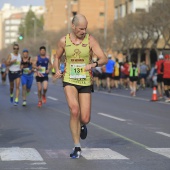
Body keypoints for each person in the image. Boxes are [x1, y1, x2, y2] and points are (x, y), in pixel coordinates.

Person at [54, 14, 108, 158]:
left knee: (85, 118)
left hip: (85, 81)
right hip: (69, 79)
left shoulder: (90, 40)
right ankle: (77, 146)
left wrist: (92, 64)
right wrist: (57, 69)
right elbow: (57, 57)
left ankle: (82, 125)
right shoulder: (63, 41)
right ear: (73, 26)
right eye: (81, 29)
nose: (83, 31)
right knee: (74, 109)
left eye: (85, 28)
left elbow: (104, 58)